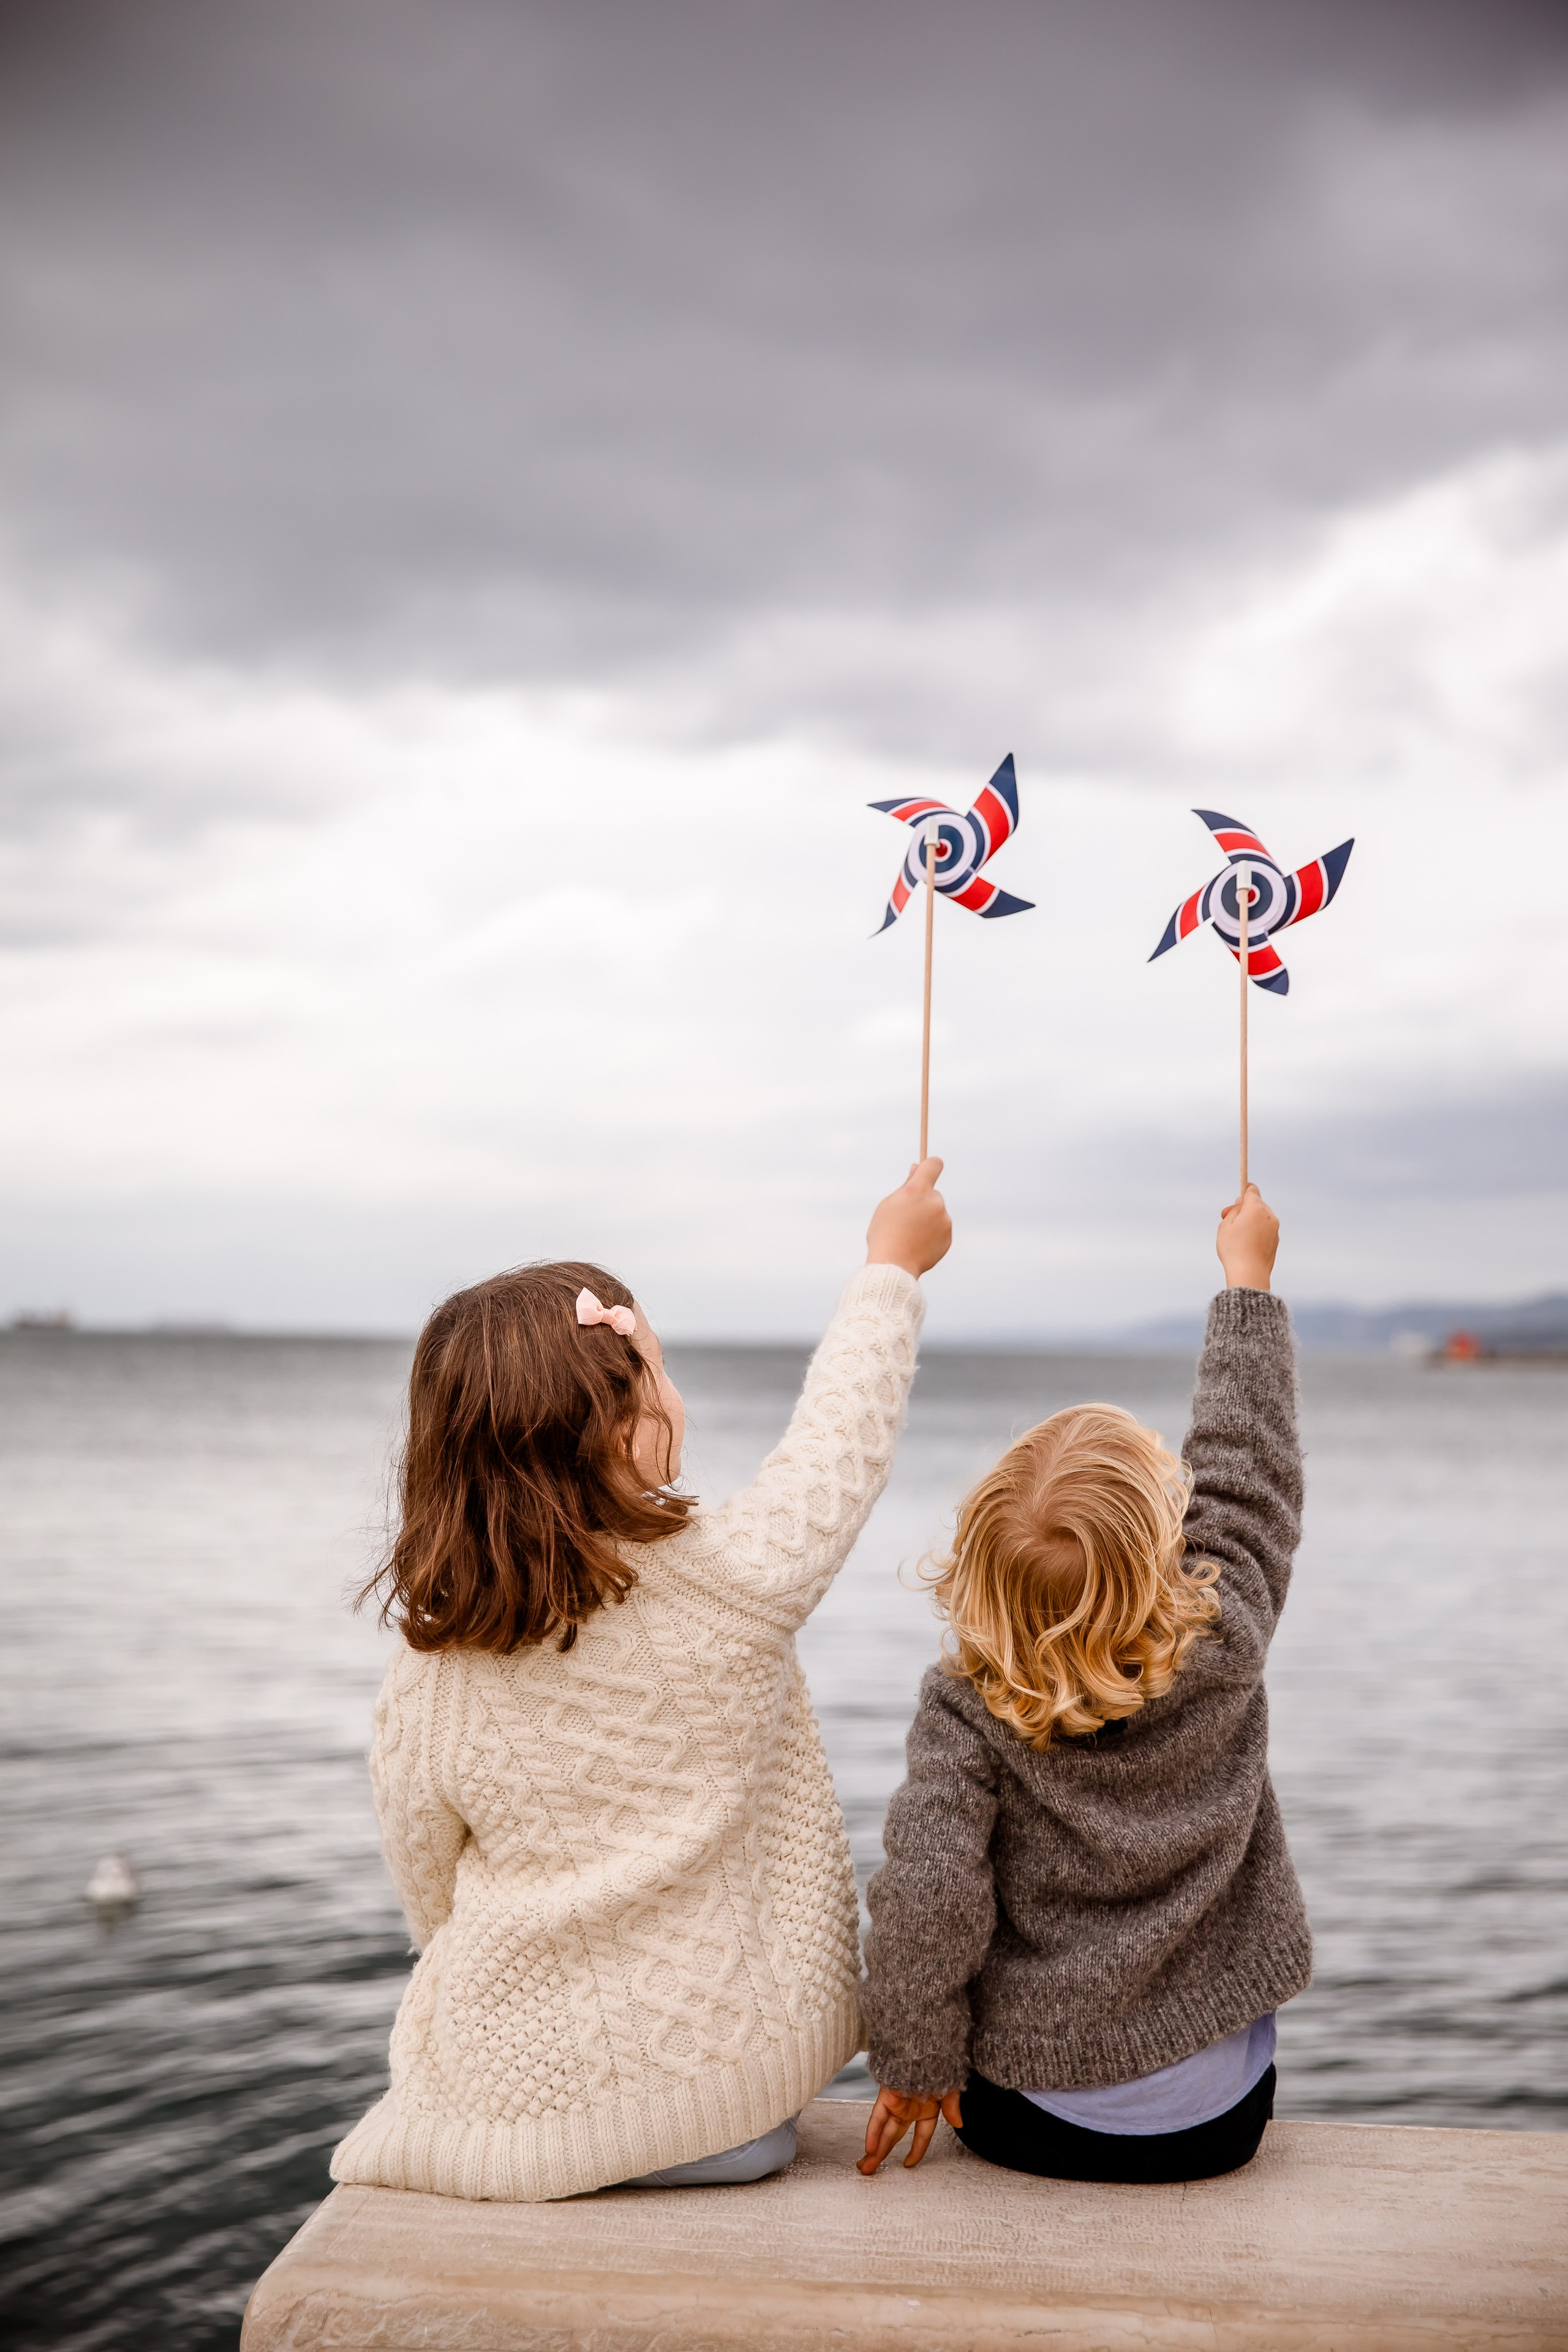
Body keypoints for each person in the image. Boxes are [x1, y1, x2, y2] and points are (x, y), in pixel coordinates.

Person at [331, 1159, 950, 2203]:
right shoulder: (736, 1578)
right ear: (625, 1421)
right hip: (732, 2115)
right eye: (654, 1367)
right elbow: (842, 1440)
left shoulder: (432, 1674)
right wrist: (892, 1265)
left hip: (516, 2107)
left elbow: (428, 1892)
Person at [858, 1184, 1308, 2186]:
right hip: (1220, 2123)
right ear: (1164, 1544)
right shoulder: (1228, 1634)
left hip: (1027, 2115)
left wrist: (916, 2067)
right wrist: (1248, 1283)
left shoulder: (966, 1704)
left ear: (978, 1559)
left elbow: (929, 1898)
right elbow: (1250, 1470)